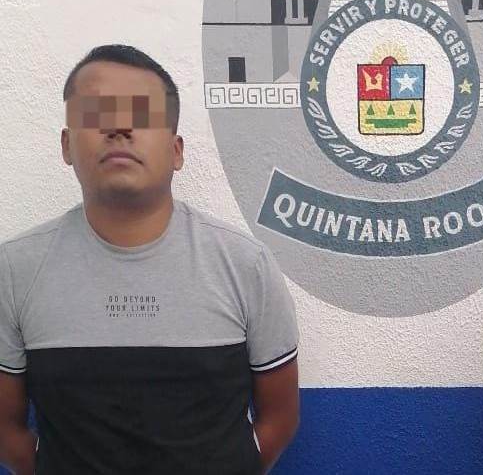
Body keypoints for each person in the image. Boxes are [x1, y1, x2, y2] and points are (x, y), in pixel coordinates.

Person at [0, 45, 300, 474]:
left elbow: (280, 418)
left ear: (176, 151)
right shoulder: (15, 270)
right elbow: (6, 428)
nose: (119, 127)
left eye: (142, 115)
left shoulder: (245, 266)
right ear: (67, 145)